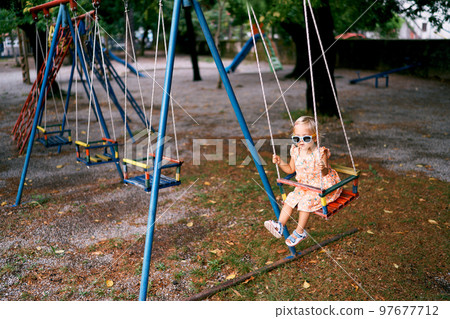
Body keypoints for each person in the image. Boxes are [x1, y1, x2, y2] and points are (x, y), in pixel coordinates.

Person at [265, 116, 342, 246]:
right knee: (290, 198)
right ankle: (280, 225)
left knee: (305, 203)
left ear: (315, 138)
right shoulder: (295, 151)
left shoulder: (320, 153)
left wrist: (323, 167)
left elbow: (325, 173)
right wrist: (280, 162)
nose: (300, 142)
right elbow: (290, 169)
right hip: (305, 186)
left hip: (321, 187)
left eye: (305, 138)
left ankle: (300, 231)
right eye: (296, 138)